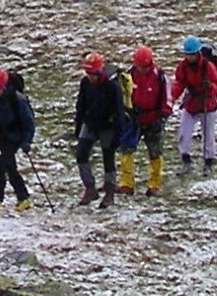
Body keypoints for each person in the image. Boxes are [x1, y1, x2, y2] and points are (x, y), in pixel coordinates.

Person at [71, 55, 126, 201]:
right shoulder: (85, 83)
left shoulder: (112, 86)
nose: (90, 77)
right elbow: (81, 105)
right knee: (81, 154)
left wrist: (118, 134)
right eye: (87, 73)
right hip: (90, 123)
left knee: (108, 156)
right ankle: (89, 187)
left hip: (108, 126)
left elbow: (119, 110)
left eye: (92, 74)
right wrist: (78, 125)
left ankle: (109, 191)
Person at [119, 47, 172, 196]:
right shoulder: (128, 75)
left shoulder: (161, 77)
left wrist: (162, 117)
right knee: (126, 149)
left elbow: (168, 99)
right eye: (138, 66)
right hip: (133, 119)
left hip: (153, 119)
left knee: (155, 152)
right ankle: (126, 183)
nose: (140, 69)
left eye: (143, 66)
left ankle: (154, 184)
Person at [173, 36, 217, 172]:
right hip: (192, 104)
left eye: (191, 55)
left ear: (198, 53)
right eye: (187, 55)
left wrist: (210, 87)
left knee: (208, 135)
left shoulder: (209, 67)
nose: (189, 58)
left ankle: (208, 161)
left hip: (208, 103)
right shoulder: (182, 67)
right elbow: (179, 84)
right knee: (184, 132)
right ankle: (185, 159)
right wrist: (171, 98)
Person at [0, 69, 35, 210]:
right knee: (10, 168)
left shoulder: (18, 99)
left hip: (15, 138)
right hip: (2, 137)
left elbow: (28, 122)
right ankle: (23, 197)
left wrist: (26, 141)